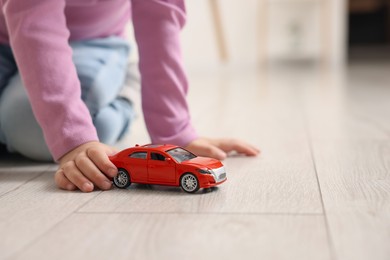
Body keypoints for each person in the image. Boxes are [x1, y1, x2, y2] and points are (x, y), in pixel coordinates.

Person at [0, 0, 259, 192]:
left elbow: (160, 15)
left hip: (90, 43)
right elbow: (30, 14)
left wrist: (174, 131)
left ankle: (125, 92)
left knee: (30, 127)